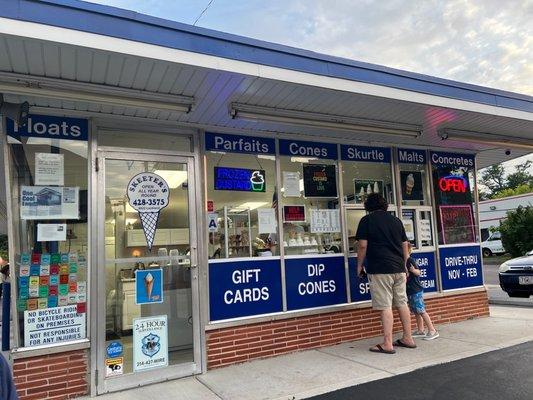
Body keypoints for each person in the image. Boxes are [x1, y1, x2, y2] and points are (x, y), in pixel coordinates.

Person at [356, 193, 416, 354]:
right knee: (402, 303)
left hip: (380, 268)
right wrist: (405, 265)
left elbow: (362, 246)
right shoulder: (396, 220)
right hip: (398, 269)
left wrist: (359, 265)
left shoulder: (366, 220)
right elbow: (405, 244)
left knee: (385, 306)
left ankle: (387, 343)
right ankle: (408, 338)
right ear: (385, 205)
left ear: (368, 206)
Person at [406, 244, 439, 340]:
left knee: (421, 310)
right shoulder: (404, 261)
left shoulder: (410, 261)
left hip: (416, 290)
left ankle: (432, 330)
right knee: (416, 311)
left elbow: (419, 272)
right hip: (410, 290)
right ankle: (421, 330)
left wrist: (413, 270)